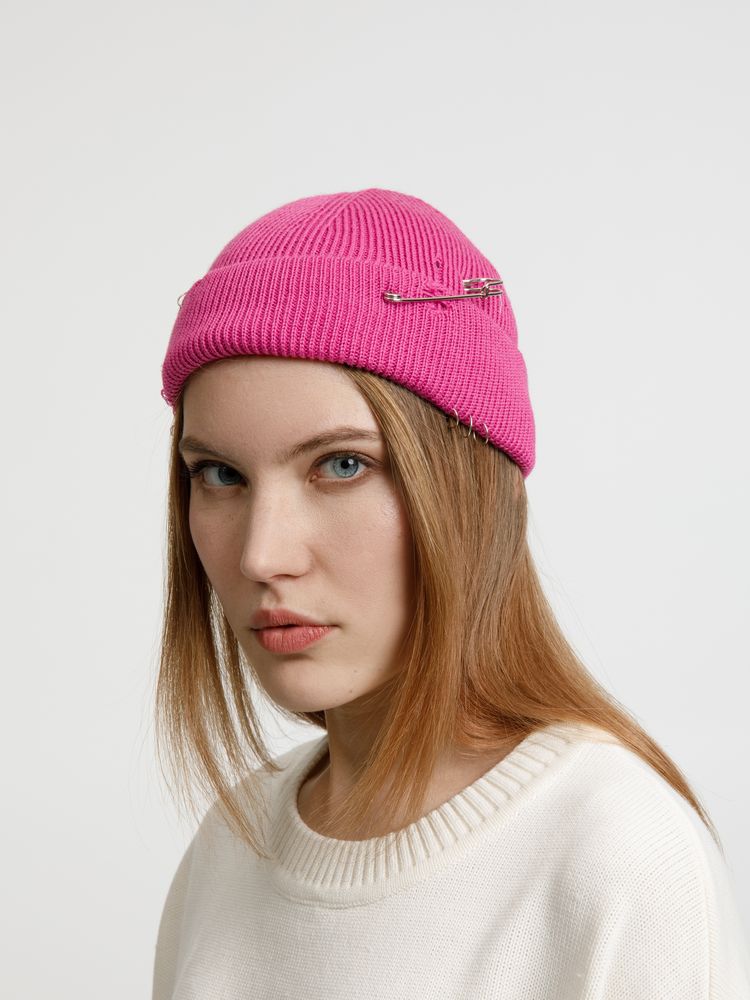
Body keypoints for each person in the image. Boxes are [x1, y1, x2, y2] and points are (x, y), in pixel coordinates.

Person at [151, 187, 750, 999]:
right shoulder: (231, 846)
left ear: (476, 490)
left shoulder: (615, 856)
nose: (262, 555)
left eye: (342, 465)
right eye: (220, 475)